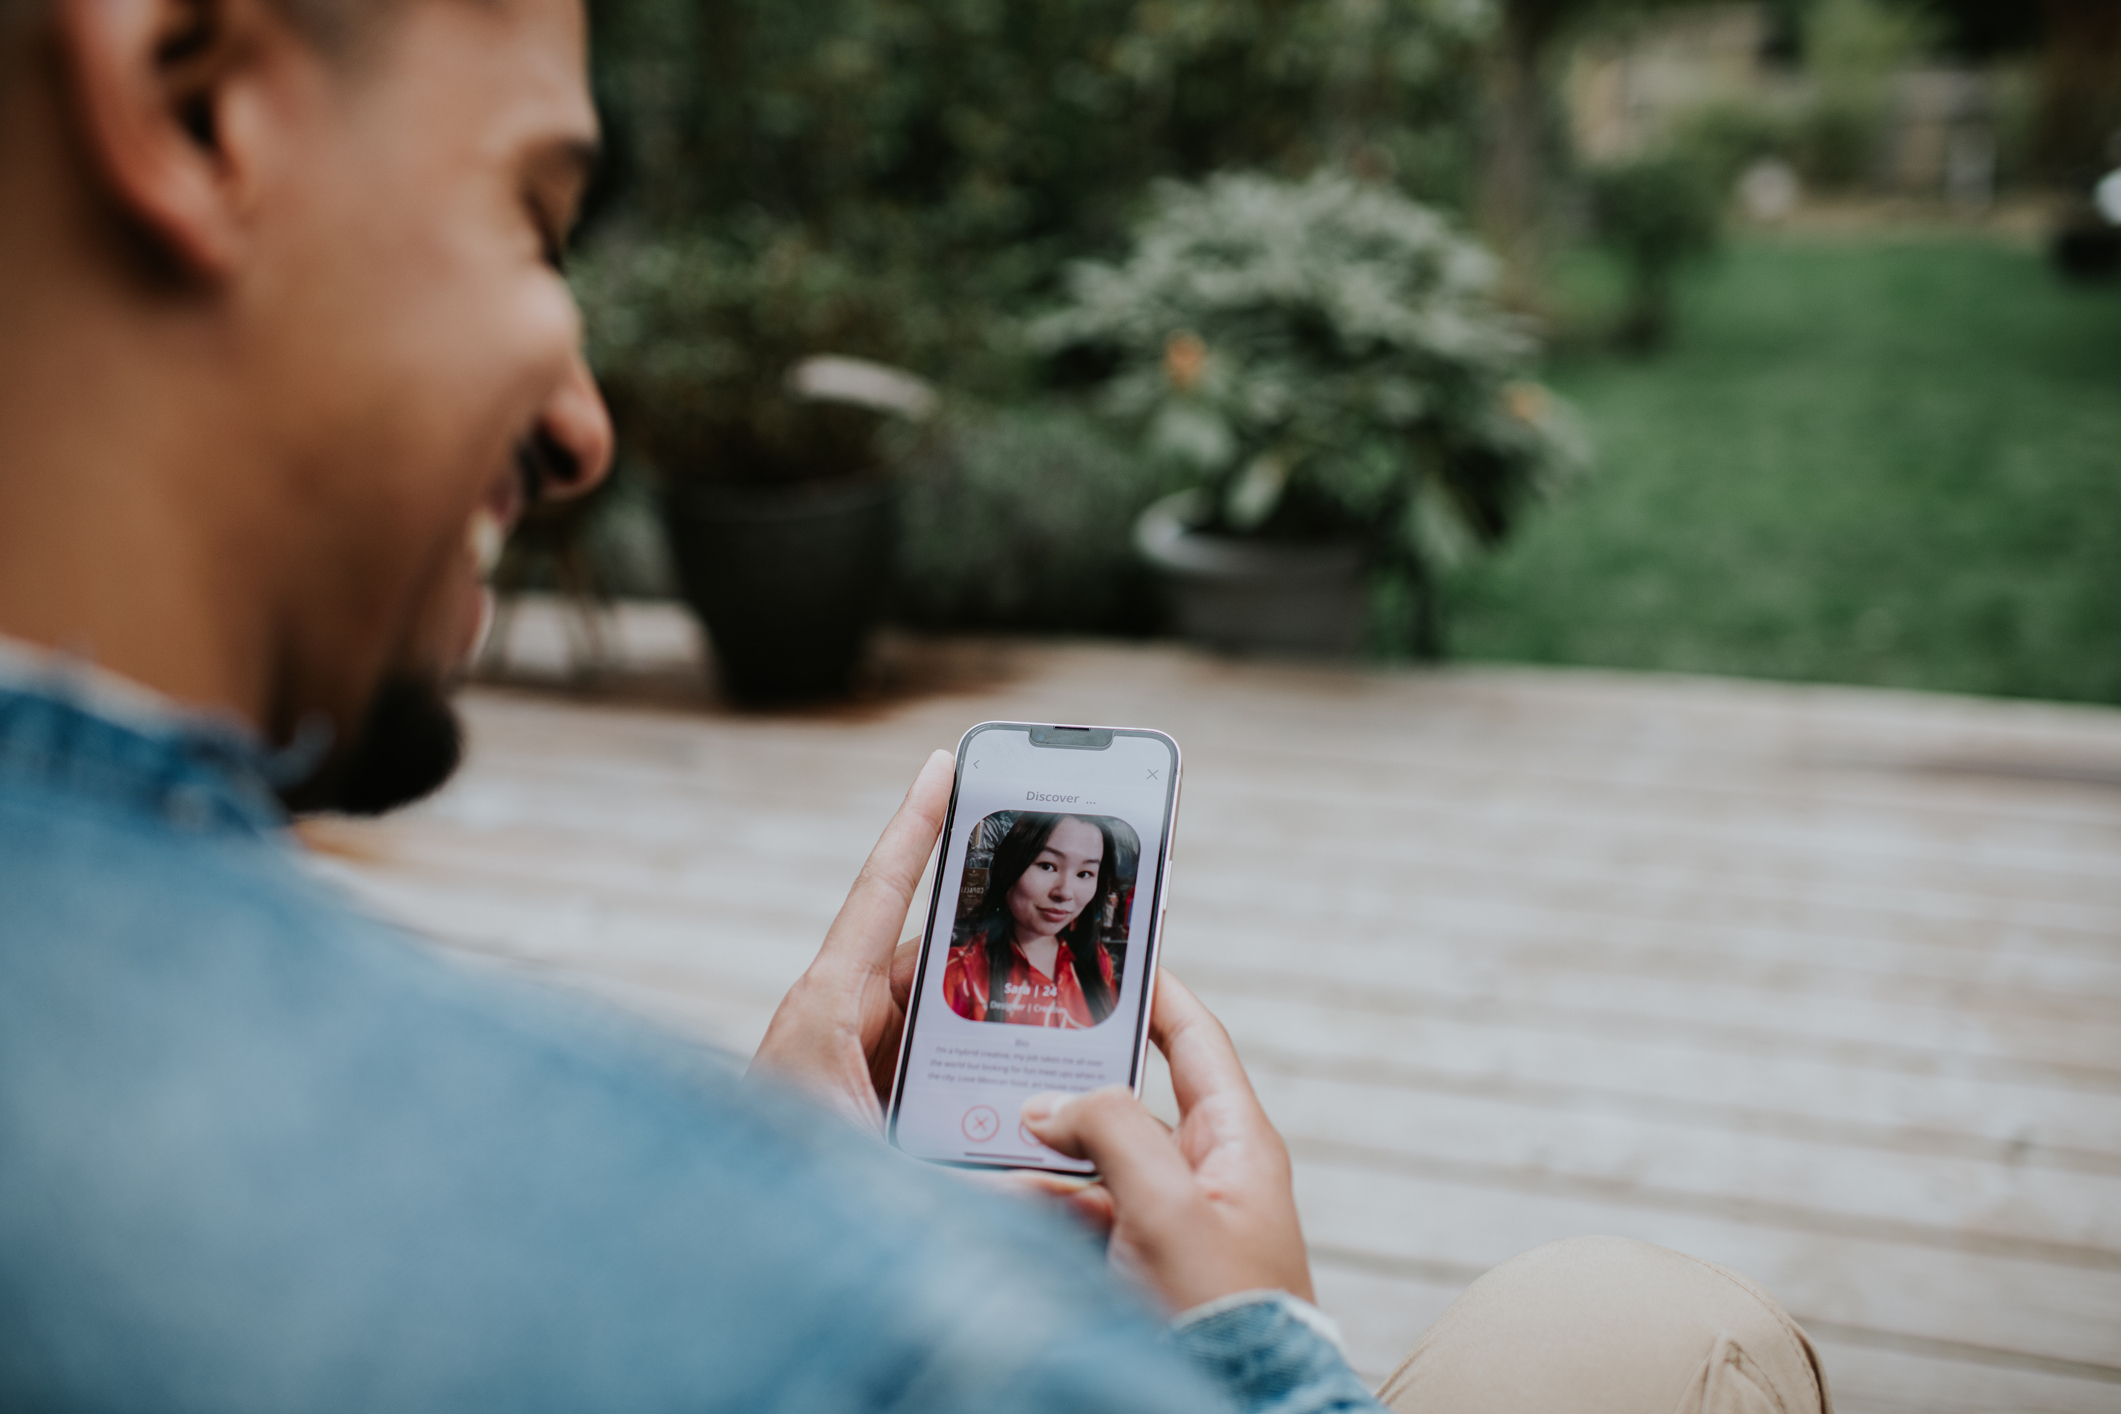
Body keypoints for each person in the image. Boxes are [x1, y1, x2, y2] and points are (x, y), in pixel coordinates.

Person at [0, 0, 1833, 1410]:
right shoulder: (748, 1283)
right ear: (192, 99)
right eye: (531, 217)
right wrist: (1246, 1334)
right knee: (1663, 1332)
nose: (583, 427)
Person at [945, 812, 1124, 1028]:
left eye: (1085, 873)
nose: (1065, 892)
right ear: (1008, 867)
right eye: (1047, 865)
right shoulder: (960, 971)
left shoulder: (1099, 961)